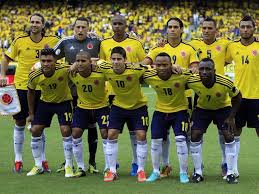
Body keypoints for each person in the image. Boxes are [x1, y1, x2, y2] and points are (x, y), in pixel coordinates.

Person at [0, 13, 59, 173]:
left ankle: (42, 160)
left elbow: (65, 50)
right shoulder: (19, 41)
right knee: (19, 123)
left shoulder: (53, 41)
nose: (34, 24)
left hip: (43, 88)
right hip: (21, 87)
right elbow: (5, 59)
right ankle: (18, 160)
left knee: (38, 126)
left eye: (37, 22)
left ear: (43, 25)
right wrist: (3, 75)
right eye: (32, 21)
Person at [143, 17, 199, 178]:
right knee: (163, 134)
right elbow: (144, 64)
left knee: (184, 135)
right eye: (170, 27)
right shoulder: (158, 47)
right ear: (166, 29)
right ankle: (165, 166)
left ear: (181, 30)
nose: (172, 29)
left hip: (185, 97)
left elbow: (195, 69)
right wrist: (165, 66)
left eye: (176, 27)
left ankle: (188, 166)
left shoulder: (188, 48)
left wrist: (180, 68)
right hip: (164, 100)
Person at [99, 14, 146, 176]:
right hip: (112, 95)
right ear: (111, 25)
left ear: (126, 25)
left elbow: (146, 62)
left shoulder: (135, 43)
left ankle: (136, 163)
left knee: (136, 132)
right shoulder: (104, 43)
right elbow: (100, 65)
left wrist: (136, 67)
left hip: (133, 93)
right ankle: (110, 165)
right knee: (109, 131)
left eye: (120, 24)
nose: (117, 26)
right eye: (115, 24)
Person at [54, 16, 101, 173]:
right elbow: (50, 59)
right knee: (72, 128)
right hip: (71, 92)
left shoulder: (96, 41)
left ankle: (92, 162)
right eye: (78, 27)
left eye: (83, 27)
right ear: (73, 28)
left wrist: (85, 61)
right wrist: (68, 65)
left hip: (93, 92)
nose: (80, 30)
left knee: (92, 125)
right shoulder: (65, 42)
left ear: (88, 28)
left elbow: (107, 59)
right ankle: (69, 161)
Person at [188, 58, 242, 184]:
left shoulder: (225, 82)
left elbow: (238, 97)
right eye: (201, 69)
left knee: (228, 135)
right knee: (195, 135)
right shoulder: (193, 80)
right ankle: (198, 172)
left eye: (208, 69)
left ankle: (230, 172)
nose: (204, 72)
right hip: (202, 109)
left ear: (214, 70)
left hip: (222, 108)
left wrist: (231, 117)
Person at [189, 17, 231, 177]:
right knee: (196, 132)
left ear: (216, 30)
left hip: (221, 96)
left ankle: (225, 162)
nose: (206, 30)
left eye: (209, 28)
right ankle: (198, 167)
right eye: (204, 28)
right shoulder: (193, 44)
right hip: (201, 96)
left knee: (224, 134)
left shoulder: (225, 44)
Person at [143, 52, 191, 183]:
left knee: (181, 140)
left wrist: (179, 67)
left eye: (165, 65)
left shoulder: (182, 74)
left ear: (171, 65)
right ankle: (155, 171)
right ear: (154, 66)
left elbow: (195, 72)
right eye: (159, 65)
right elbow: (135, 69)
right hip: (160, 111)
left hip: (180, 111)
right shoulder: (149, 75)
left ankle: (183, 172)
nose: (162, 68)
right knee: (155, 141)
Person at [26, 48, 74, 177]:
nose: (46, 63)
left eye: (49, 61)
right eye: (43, 61)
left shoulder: (64, 69)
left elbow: (77, 67)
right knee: (35, 130)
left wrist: (75, 65)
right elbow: (30, 92)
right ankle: (38, 165)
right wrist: (31, 114)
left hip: (63, 102)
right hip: (45, 103)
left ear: (55, 61)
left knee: (65, 130)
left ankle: (69, 166)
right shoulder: (34, 75)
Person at [225, 15, 259, 179]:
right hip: (238, 97)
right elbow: (220, 62)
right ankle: (234, 169)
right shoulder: (232, 47)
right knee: (235, 132)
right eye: (243, 27)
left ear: (254, 28)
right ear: (239, 29)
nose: (245, 29)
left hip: (257, 97)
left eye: (248, 27)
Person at [69, 51, 110, 177]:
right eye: (78, 61)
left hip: (101, 107)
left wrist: (99, 62)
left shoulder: (100, 72)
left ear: (90, 62)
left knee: (105, 133)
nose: (80, 63)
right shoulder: (72, 73)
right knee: (75, 133)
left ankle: (109, 167)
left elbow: (113, 70)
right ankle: (80, 167)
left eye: (83, 61)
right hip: (82, 107)